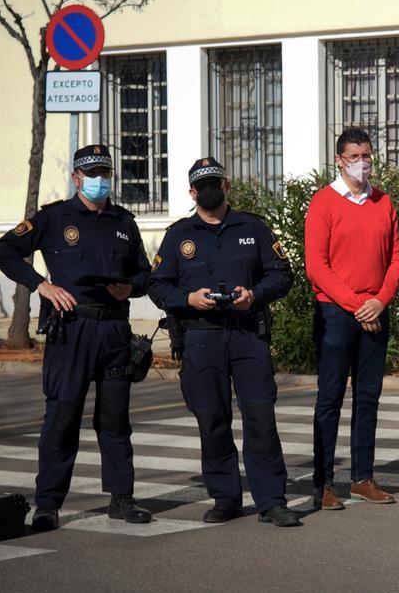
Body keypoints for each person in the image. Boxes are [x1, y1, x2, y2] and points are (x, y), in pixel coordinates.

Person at [0, 144, 153, 530]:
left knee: (115, 422)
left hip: (114, 330)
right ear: (77, 178)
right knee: (62, 417)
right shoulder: (54, 217)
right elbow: (4, 251)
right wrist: (40, 286)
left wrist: (129, 288)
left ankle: (121, 498)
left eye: (105, 173)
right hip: (71, 330)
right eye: (92, 173)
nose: (100, 180)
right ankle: (47, 504)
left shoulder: (124, 222)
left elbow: (146, 275)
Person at [147, 157, 302, 527]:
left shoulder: (254, 228)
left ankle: (271, 501)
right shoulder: (178, 235)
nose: (211, 189)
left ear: (227, 186)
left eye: (217, 182)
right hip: (201, 338)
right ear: (192, 192)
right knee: (211, 420)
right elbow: (156, 284)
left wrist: (255, 294)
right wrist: (187, 299)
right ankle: (225, 497)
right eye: (203, 185)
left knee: (260, 419)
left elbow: (283, 274)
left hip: (248, 334)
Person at [305, 127, 399, 509]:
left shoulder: (383, 202)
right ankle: (324, 484)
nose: (362, 163)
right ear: (339, 160)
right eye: (354, 156)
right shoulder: (324, 203)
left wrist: (379, 300)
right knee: (329, 398)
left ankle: (362, 477)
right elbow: (317, 266)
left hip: (375, 310)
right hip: (336, 312)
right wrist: (355, 304)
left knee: (368, 397)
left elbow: (396, 257)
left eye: (367, 155)